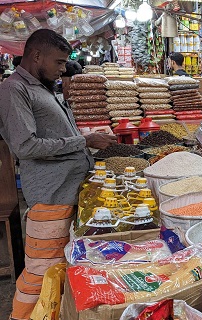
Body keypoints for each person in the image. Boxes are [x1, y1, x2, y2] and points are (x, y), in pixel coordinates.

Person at [0, 29, 116, 320]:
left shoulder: (43, 87)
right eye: (59, 62)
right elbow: (25, 145)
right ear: (36, 55)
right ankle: (22, 316)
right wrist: (84, 141)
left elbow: (54, 135)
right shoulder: (14, 90)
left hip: (67, 191)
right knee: (42, 269)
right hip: (50, 196)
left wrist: (85, 137)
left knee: (59, 268)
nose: (63, 68)